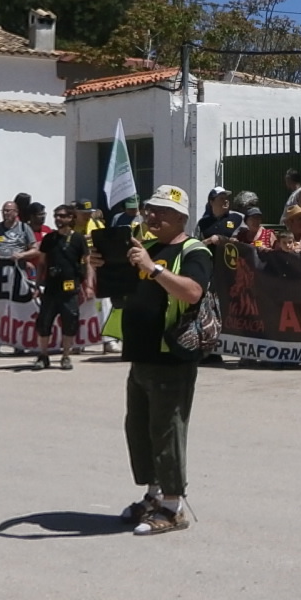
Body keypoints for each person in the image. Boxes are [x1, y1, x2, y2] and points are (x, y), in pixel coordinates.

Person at [87, 184, 212, 536]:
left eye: (162, 212)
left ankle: (173, 506)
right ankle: (153, 496)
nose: (152, 216)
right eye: (150, 210)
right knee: (140, 429)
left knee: (167, 429)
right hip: (140, 353)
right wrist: (101, 265)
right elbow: (113, 290)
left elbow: (192, 291)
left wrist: (153, 268)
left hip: (171, 354)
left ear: (181, 218)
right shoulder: (147, 247)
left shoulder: (193, 250)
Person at [33, 205, 87, 370]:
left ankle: (65, 356)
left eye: (62, 216)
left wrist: (88, 286)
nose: (58, 219)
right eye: (56, 216)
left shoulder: (78, 239)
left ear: (71, 218)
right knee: (44, 322)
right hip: (51, 288)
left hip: (70, 289)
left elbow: (87, 263)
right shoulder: (49, 239)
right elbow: (41, 263)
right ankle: (43, 355)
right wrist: (37, 284)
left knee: (70, 322)